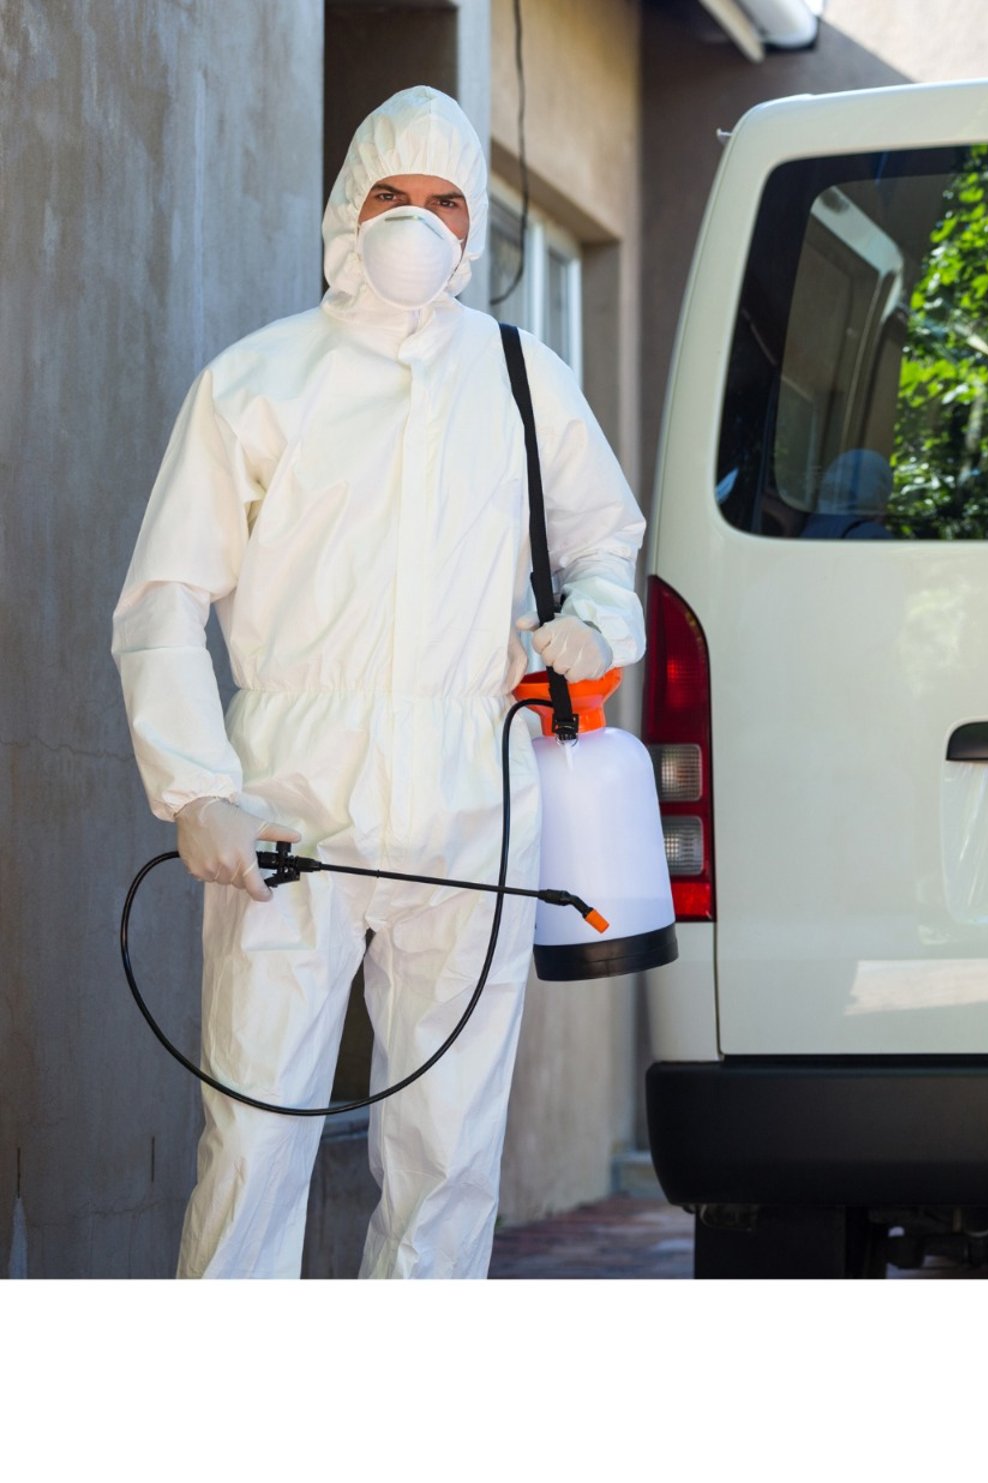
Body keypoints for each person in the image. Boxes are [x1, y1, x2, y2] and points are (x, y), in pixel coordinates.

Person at [111, 86, 645, 1278]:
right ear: (346, 212)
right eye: (391, 196)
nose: (417, 221)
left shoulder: (523, 378)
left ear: (473, 228)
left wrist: (595, 625)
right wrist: (198, 789)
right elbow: (164, 599)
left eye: (444, 199)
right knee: (253, 1137)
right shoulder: (260, 381)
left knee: (449, 1151)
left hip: (474, 794)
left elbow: (609, 538)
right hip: (290, 797)